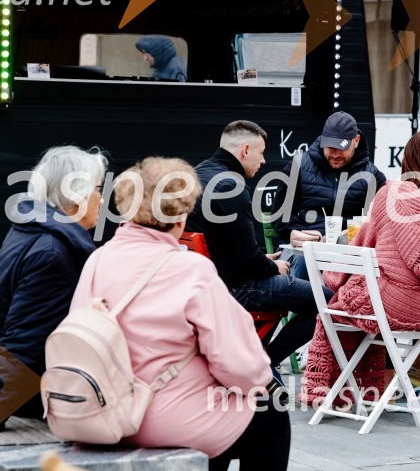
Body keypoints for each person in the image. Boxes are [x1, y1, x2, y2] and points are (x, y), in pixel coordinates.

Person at [71, 156, 289, 470]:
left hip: (101, 411)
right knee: (272, 412)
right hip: (160, 420)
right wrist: (263, 381)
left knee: (223, 416)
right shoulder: (193, 269)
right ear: (181, 216)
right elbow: (239, 366)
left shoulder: (97, 259)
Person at [0, 146, 106, 446]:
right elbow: (25, 341)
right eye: (98, 189)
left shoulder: (30, 230)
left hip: (29, 385)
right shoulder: (55, 253)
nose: (102, 198)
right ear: (75, 198)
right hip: (45, 395)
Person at [301, 132, 420, 404]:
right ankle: (375, 387)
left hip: (393, 306)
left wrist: (334, 277)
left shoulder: (391, 195)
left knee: (339, 308)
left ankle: (334, 390)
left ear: (406, 162)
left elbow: (362, 244)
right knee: (367, 299)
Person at [185, 120, 330, 372]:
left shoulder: (196, 174)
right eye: (261, 152)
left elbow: (232, 248)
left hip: (206, 284)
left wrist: (265, 260)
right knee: (326, 300)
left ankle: (258, 356)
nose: (263, 161)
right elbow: (248, 262)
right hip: (235, 288)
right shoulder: (231, 186)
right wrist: (275, 267)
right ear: (245, 150)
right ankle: (266, 361)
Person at [271, 111, 386, 280]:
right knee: (303, 264)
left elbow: (381, 222)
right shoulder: (298, 165)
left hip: (349, 252)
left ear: (356, 141)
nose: (335, 154)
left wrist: (355, 233)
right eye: (330, 147)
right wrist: (294, 232)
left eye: (341, 147)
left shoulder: (372, 175)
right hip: (304, 249)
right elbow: (280, 215)